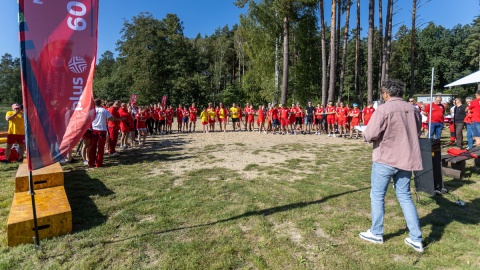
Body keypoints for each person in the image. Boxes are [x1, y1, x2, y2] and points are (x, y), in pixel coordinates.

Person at [360, 79, 424, 253]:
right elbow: (417, 130)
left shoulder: (383, 109)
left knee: (377, 195)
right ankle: (416, 238)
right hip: (406, 158)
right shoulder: (413, 109)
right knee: (404, 196)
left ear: (386, 93)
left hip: (386, 158)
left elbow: (371, 133)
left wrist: (365, 135)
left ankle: (376, 232)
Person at [89, 99, 118, 168]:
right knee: (100, 148)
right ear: (101, 103)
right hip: (102, 130)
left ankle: (91, 163)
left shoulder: (92, 110)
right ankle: (99, 163)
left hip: (94, 130)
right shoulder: (104, 110)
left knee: (92, 147)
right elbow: (111, 119)